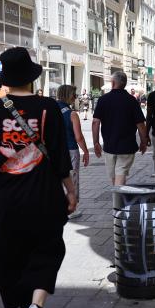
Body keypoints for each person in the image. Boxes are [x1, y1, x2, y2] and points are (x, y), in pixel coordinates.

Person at [0, 47, 76, 308]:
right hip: (44, 195)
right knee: (49, 248)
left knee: (10, 254)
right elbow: (59, 157)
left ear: (5, 78)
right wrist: (71, 190)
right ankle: (36, 307)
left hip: (7, 196)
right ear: (30, 77)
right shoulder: (49, 108)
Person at [92, 72, 148, 185]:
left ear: (112, 83)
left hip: (109, 145)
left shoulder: (103, 100)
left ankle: (117, 201)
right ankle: (118, 201)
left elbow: (95, 123)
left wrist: (96, 142)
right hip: (127, 146)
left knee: (114, 177)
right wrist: (144, 141)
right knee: (120, 174)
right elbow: (140, 124)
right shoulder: (132, 101)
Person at [56, 85, 90, 220]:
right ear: (68, 96)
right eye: (74, 95)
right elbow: (79, 137)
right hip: (70, 150)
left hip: (53, 151)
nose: (76, 97)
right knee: (72, 178)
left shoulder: (50, 109)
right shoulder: (72, 114)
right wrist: (86, 152)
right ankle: (71, 208)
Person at [145, 88, 155, 178]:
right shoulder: (153, 95)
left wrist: (146, 134)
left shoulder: (153, 95)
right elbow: (149, 116)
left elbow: (149, 116)